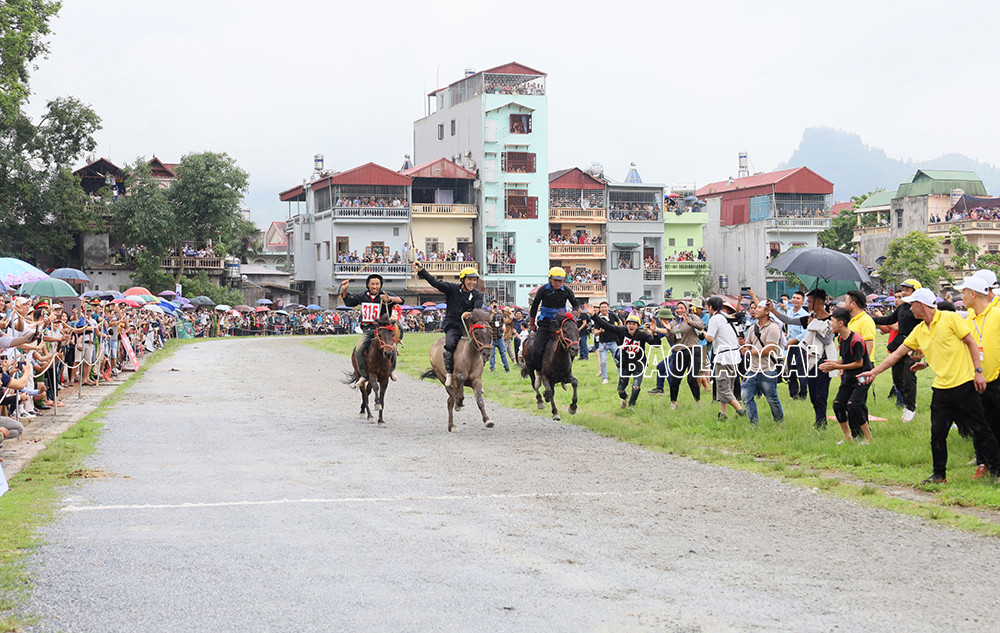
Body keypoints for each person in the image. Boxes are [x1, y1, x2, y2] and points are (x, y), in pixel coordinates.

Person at [858, 287, 1000, 484]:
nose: (909, 310)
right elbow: (897, 354)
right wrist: (874, 372)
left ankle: (996, 471)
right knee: (937, 433)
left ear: (921, 305)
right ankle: (939, 474)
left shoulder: (950, 319)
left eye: (911, 305)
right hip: (941, 388)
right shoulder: (920, 330)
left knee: (981, 429)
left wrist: (978, 372)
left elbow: (971, 343)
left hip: (964, 385)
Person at [767, 288, 836, 429]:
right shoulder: (809, 318)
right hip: (810, 361)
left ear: (819, 302)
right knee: (813, 395)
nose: (808, 304)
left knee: (821, 395)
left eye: (810, 301)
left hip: (824, 362)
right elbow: (789, 320)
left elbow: (828, 339)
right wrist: (774, 311)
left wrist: (814, 325)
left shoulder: (831, 320)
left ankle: (821, 424)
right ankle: (819, 420)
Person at [955, 275, 1000, 479]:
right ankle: (983, 463)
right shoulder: (967, 320)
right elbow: (957, 347)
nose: (961, 297)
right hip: (975, 379)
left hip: (997, 379)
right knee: (979, 424)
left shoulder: (998, 315)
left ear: (973, 294)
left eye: (963, 293)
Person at [415, 263, 484, 387]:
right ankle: (448, 373)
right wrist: (422, 271)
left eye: (474, 280)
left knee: (482, 344)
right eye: (470, 279)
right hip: (453, 324)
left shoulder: (478, 295)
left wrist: (469, 314)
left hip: (468, 326)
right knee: (451, 344)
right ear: (462, 279)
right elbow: (435, 283)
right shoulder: (452, 288)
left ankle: (477, 377)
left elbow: (477, 310)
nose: (472, 282)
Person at [821, 308, 874, 445]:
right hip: (849, 377)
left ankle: (869, 438)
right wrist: (832, 363)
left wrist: (836, 366)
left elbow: (858, 363)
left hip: (863, 377)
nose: (830, 324)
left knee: (854, 405)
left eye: (832, 321)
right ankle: (848, 437)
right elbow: (846, 359)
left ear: (841, 323)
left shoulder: (856, 340)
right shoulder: (841, 338)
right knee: (838, 405)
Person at [339, 273, 403, 386]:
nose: (375, 286)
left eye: (377, 284)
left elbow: (402, 300)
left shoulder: (384, 295)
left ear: (380, 285)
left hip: (382, 330)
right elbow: (349, 302)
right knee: (358, 349)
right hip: (368, 329)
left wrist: (390, 298)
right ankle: (364, 375)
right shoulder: (363, 296)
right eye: (372, 284)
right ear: (368, 285)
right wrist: (345, 290)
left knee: (392, 347)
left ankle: (391, 370)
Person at [872, 279, 921, 422]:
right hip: (900, 344)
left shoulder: (919, 308)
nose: (904, 293)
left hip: (915, 347)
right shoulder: (902, 308)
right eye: (903, 290)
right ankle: (907, 403)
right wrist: (872, 319)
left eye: (907, 290)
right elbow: (889, 320)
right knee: (897, 378)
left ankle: (911, 408)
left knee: (909, 376)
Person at [591, 312, 658, 408]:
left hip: (638, 364)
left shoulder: (642, 335)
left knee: (636, 386)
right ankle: (625, 396)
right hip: (625, 363)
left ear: (638, 326)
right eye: (629, 324)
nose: (631, 326)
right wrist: (593, 315)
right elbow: (607, 326)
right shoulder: (621, 331)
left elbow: (655, 344)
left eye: (634, 324)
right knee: (620, 390)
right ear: (626, 324)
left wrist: (654, 332)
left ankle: (631, 405)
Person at [649, 302, 704, 410]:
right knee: (675, 379)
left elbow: (701, 326)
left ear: (686, 309)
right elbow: (672, 340)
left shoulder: (693, 317)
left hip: (693, 350)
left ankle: (698, 401)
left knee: (692, 378)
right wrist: (668, 329)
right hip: (679, 352)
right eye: (677, 308)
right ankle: (674, 402)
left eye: (681, 308)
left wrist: (689, 322)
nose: (679, 310)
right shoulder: (673, 323)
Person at [740, 300, 785, 426]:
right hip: (752, 369)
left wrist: (749, 352)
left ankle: (779, 423)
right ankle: (754, 424)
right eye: (754, 307)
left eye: (759, 307)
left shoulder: (773, 328)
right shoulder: (753, 327)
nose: (755, 310)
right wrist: (744, 348)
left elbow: (768, 350)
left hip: (767, 369)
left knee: (772, 399)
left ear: (767, 312)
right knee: (746, 396)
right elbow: (747, 345)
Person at [527, 267, 580, 374]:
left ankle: (566, 371)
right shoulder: (543, 290)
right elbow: (534, 306)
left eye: (560, 281)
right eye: (555, 280)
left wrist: (573, 315)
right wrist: (532, 323)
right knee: (536, 349)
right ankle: (538, 371)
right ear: (550, 279)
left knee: (572, 347)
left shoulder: (567, 291)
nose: (558, 283)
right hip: (545, 324)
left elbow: (576, 305)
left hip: (560, 325)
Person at [704, 297, 747, 420]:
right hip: (734, 357)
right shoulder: (729, 317)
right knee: (728, 386)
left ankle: (741, 411)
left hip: (723, 357)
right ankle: (723, 414)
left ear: (711, 307)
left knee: (723, 388)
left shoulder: (715, 319)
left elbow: (710, 338)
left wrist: (703, 332)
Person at [783, 291, 810, 401]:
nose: (795, 300)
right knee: (790, 370)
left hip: (800, 346)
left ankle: (803, 393)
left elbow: (805, 332)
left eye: (798, 298)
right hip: (789, 346)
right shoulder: (789, 312)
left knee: (801, 370)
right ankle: (793, 393)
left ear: (803, 301)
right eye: (793, 298)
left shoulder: (805, 315)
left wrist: (793, 341)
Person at [593, 301, 621, 384]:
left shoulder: (612, 316)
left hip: (613, 342)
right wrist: (600, 331)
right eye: (602, 307)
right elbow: (595, 333)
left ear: (608, 308)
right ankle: (605, 378)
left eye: (605, 307)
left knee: (618, 360)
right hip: (603, 343)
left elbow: (619, 321)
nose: (604, 309)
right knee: (603, 361)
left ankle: (622, 376)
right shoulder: (598, 318)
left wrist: (619, 328)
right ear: (600, 309)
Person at [845, 289, 877, 357]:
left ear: (853, 304)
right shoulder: (851, 320)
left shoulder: (866, 320)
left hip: (862, 365)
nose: (844, 306)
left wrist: (862, 363)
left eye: (846, 302)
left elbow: (869, 345)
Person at [488, 300, 510, 372]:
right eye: (493, 304)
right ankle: (492, 368)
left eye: (496, 304)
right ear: (490, 305)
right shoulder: (488, 313)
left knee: (503, 352)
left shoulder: (500, 313)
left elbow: (503, 322)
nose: (495, 306)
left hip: (499, 336)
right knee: (492, 354)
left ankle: (507, 368)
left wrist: (504, 326)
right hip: (491, 337)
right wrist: (492, 314)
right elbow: (488, 322)